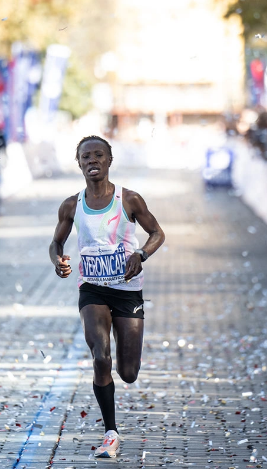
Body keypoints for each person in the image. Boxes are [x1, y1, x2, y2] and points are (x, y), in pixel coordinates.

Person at [48, 135, 165, 458]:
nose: (92, 161)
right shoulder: (72, 205)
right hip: (93, 290)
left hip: (127, 292)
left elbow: (158, 233)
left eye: (98, 155)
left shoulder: (129, 200)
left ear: (110, 160)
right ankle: (110, 432)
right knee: (101, 356)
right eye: (86, 157)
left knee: (128, 373)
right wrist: (57, 260)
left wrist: (140, 254)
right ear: (79, 163)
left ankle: (124, 361)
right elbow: (55, 243)